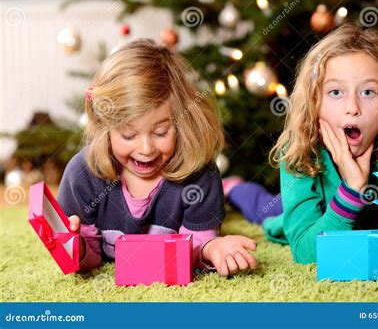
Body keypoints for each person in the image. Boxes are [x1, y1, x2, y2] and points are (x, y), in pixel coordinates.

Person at [225, 24, 378, 264]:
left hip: (356, 220)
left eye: (368, 92)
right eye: (336, 92)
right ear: (315, 102)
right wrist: (352, 191)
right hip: (311, 216)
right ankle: (234, 188)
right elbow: (307, 255)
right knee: (267, 210)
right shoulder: (302, 152)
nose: (352, 108)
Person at [58, 39, 258, 277]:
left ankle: (233, 190)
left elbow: (198, 247)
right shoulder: (83, 175)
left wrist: (212, 247)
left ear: (182, 122)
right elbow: (89, 257)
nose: (146, 149)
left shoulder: (200, 176)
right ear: (105, 127)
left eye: (161, 132)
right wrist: (77, 249)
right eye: (129, 134)